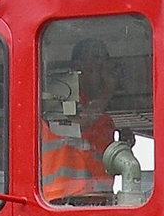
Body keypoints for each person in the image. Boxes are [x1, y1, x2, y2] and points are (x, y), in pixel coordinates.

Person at [41, 38, 143, 204]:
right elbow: (75, 128)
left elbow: (99, 163)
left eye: (105, 59)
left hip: (97, 201)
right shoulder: (58, 102)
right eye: (96, 58)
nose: (103, 66)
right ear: (76, 66)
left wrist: (120, 149)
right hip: (59, 201)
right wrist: (108, 91)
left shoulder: (104, 120)